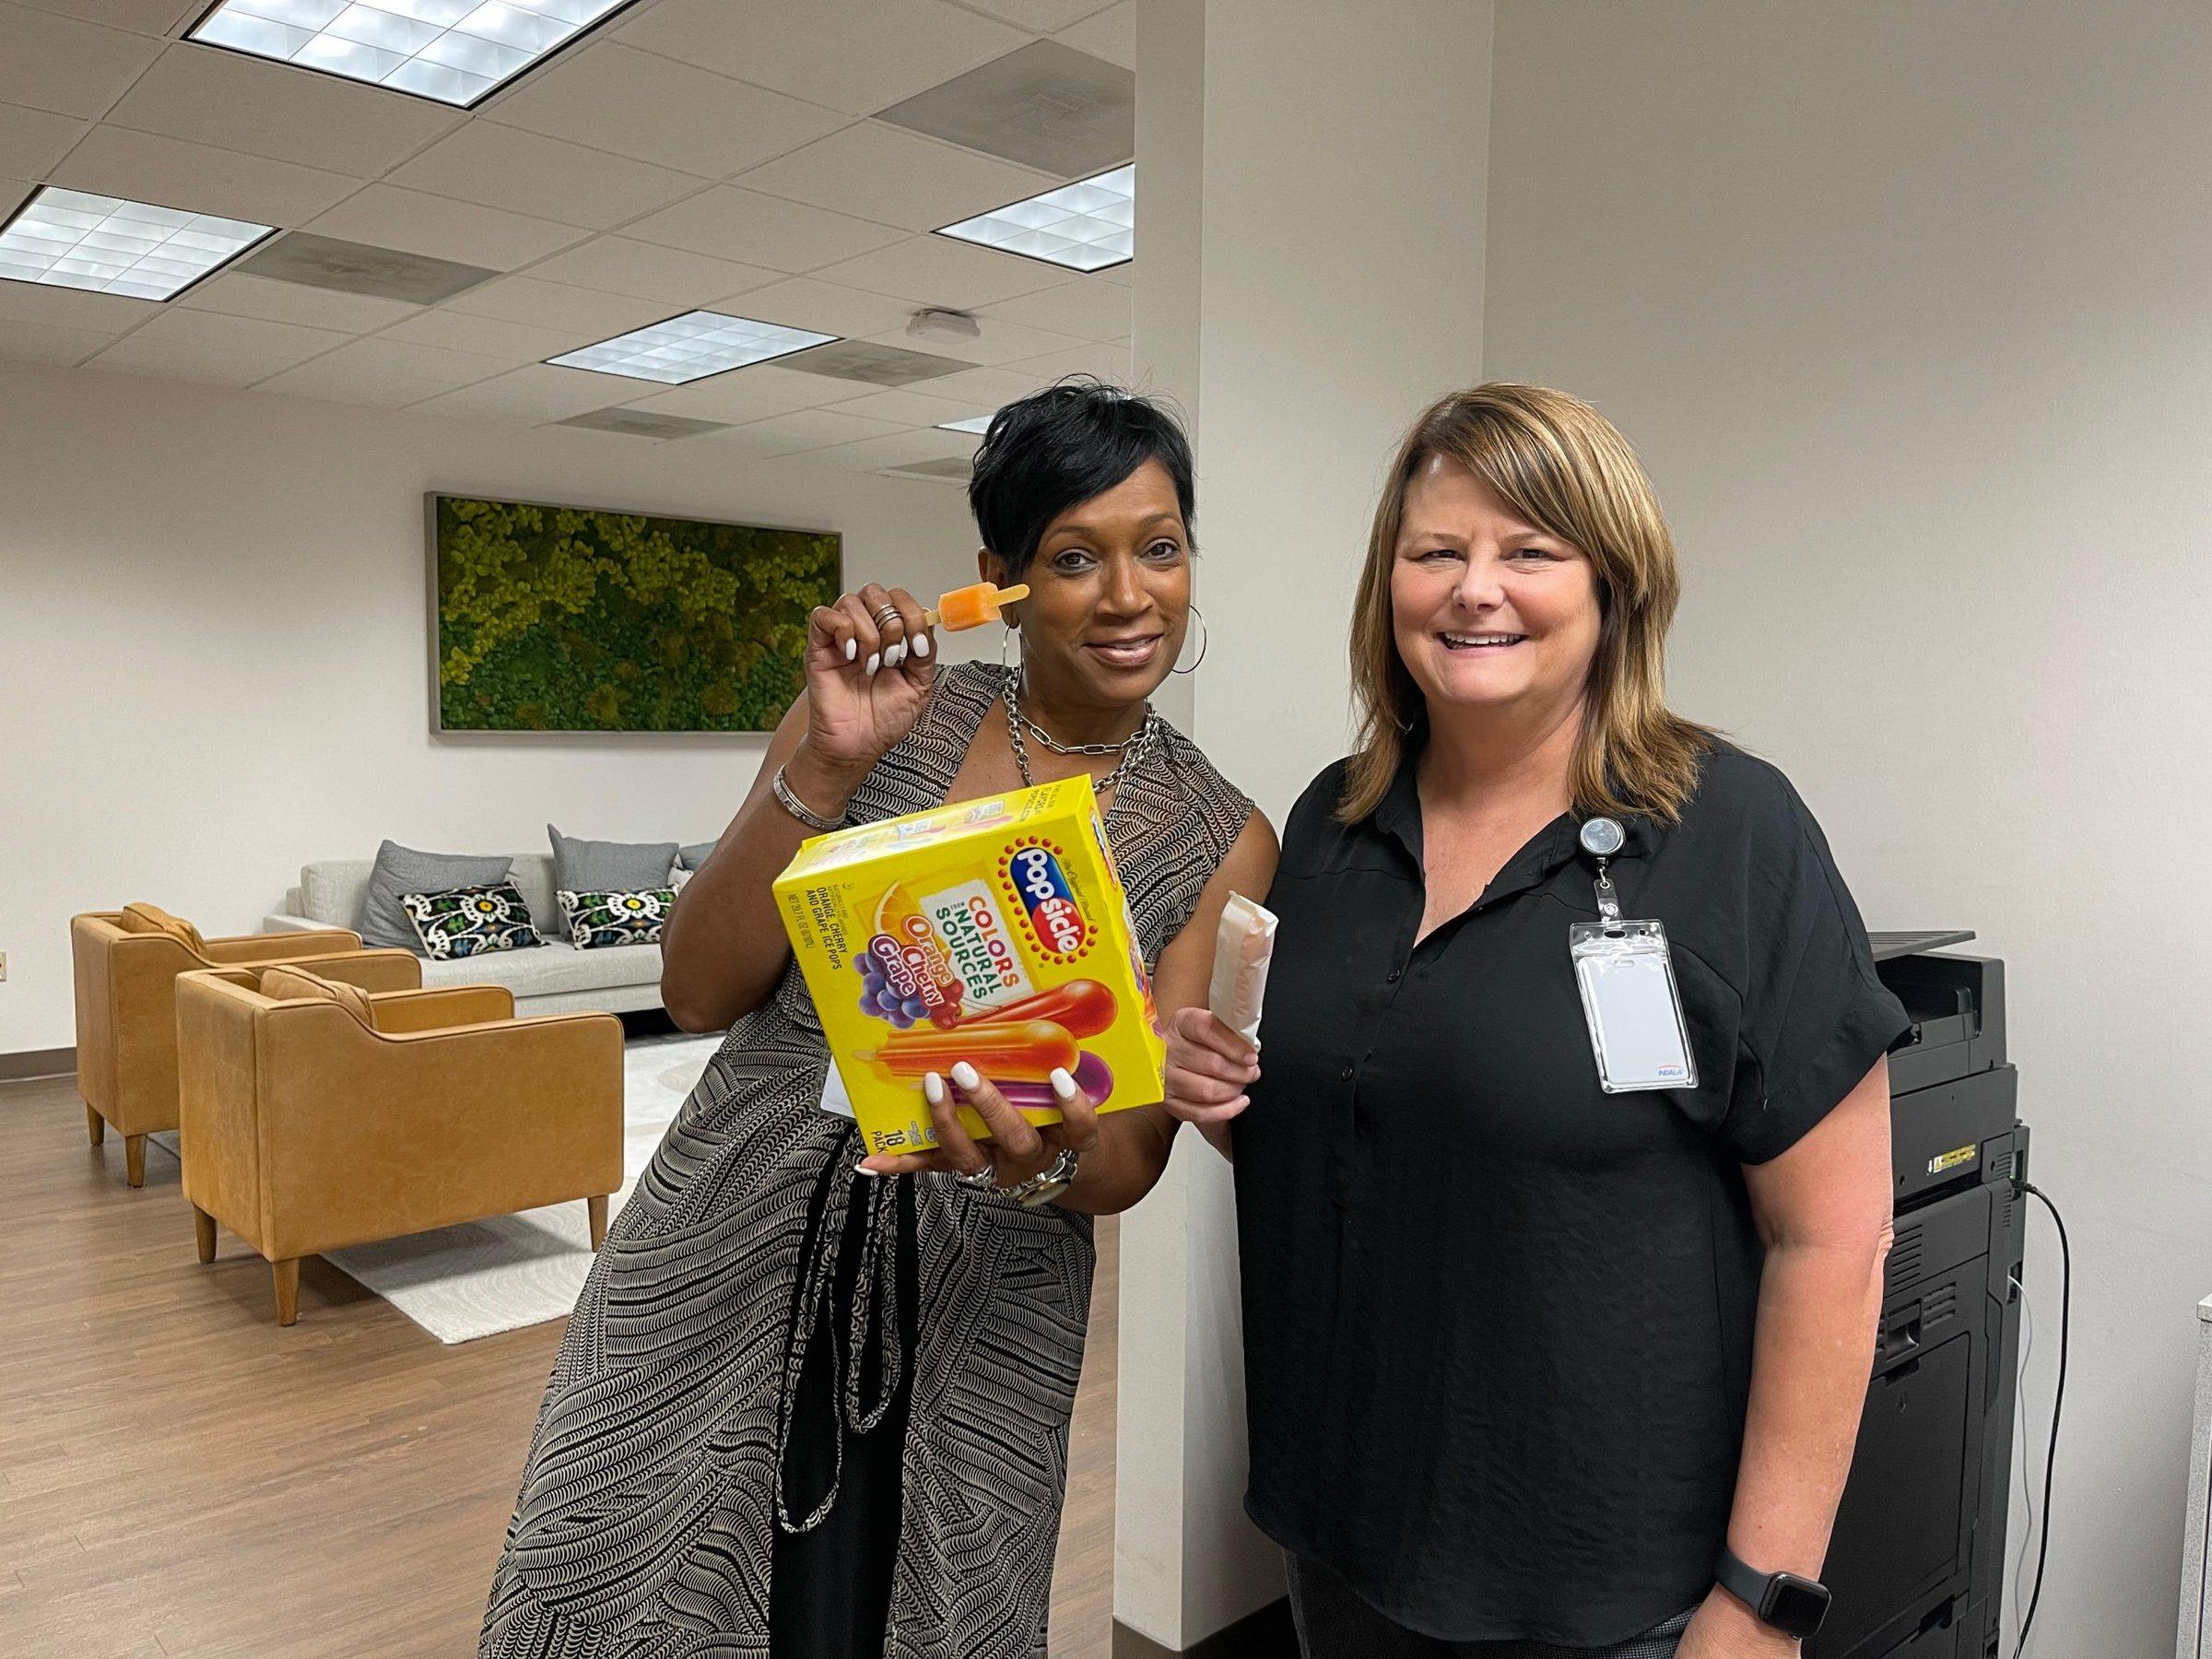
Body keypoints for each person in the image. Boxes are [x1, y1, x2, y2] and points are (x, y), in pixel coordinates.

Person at [480, 381, 1277, 1659]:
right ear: (1001, 578)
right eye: (1075, 557)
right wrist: (829, 766)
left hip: (983, 1296)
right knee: (627, 1576)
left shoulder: (1216, 834)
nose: (1130, 595)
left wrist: (1045, 1154)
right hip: (736, 1231)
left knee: (910, 1614)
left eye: (1161, 546)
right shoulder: (888, 714)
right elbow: (696, 987)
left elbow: (1128, 1156)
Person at [1164, 384, 1908, 1659]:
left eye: (1529, 552)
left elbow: (1833, 1243)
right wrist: (1230, 1091)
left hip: (1614, 1597)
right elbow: (1364, 1132)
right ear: (1387, 582)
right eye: (1436, 551)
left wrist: (1761, 1601)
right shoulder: (1334, 828)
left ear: (1613, 585)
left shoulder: (1733, 834)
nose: (1474, 589)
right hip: (1348, 1546)